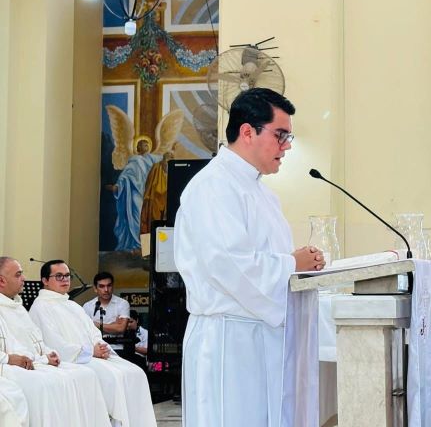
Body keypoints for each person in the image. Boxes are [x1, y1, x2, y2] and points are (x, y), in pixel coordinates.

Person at [174, 88, 326, 426]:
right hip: (229, 343)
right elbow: (229, 265)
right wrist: (293, 263)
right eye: (280, 135)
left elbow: (269, 261)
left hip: (263, 337)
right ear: (247, 132)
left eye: (288, 137)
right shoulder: (212, 186)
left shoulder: (264, 195)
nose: (287, 146)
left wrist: (305, 266)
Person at [29, 260, 157, 427]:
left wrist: (100, 346)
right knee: (113, 378)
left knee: (136, 373)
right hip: (76, 359)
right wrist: (90, 352)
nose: (65, 279)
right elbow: (54, 342)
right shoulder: (40, 307)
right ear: (45, 280)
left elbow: (93, 331)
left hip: (92, 355)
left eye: (67, 275)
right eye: (59, 276)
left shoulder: (72, 305)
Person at [0, 257, 110, 426]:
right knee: (45, 385)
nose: (24, 278)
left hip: (33, 362)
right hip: (8, 367)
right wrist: (9, 358)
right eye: (18, 274)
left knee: (84, 375)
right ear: (2, 281)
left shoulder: (18, 307)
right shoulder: (36, 306)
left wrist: (48, 353)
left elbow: (36, 338)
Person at [83, 272, 130, 351]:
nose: (106, 290)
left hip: (117, 348)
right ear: (95, 288)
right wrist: (113, 325)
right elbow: (86, 331)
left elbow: (120, 328)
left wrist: (94, 324)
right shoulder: (87, 306)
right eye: (102, 286)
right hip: (96, 348)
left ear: (113, 286)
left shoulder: (122, 303)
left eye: (109, 285)